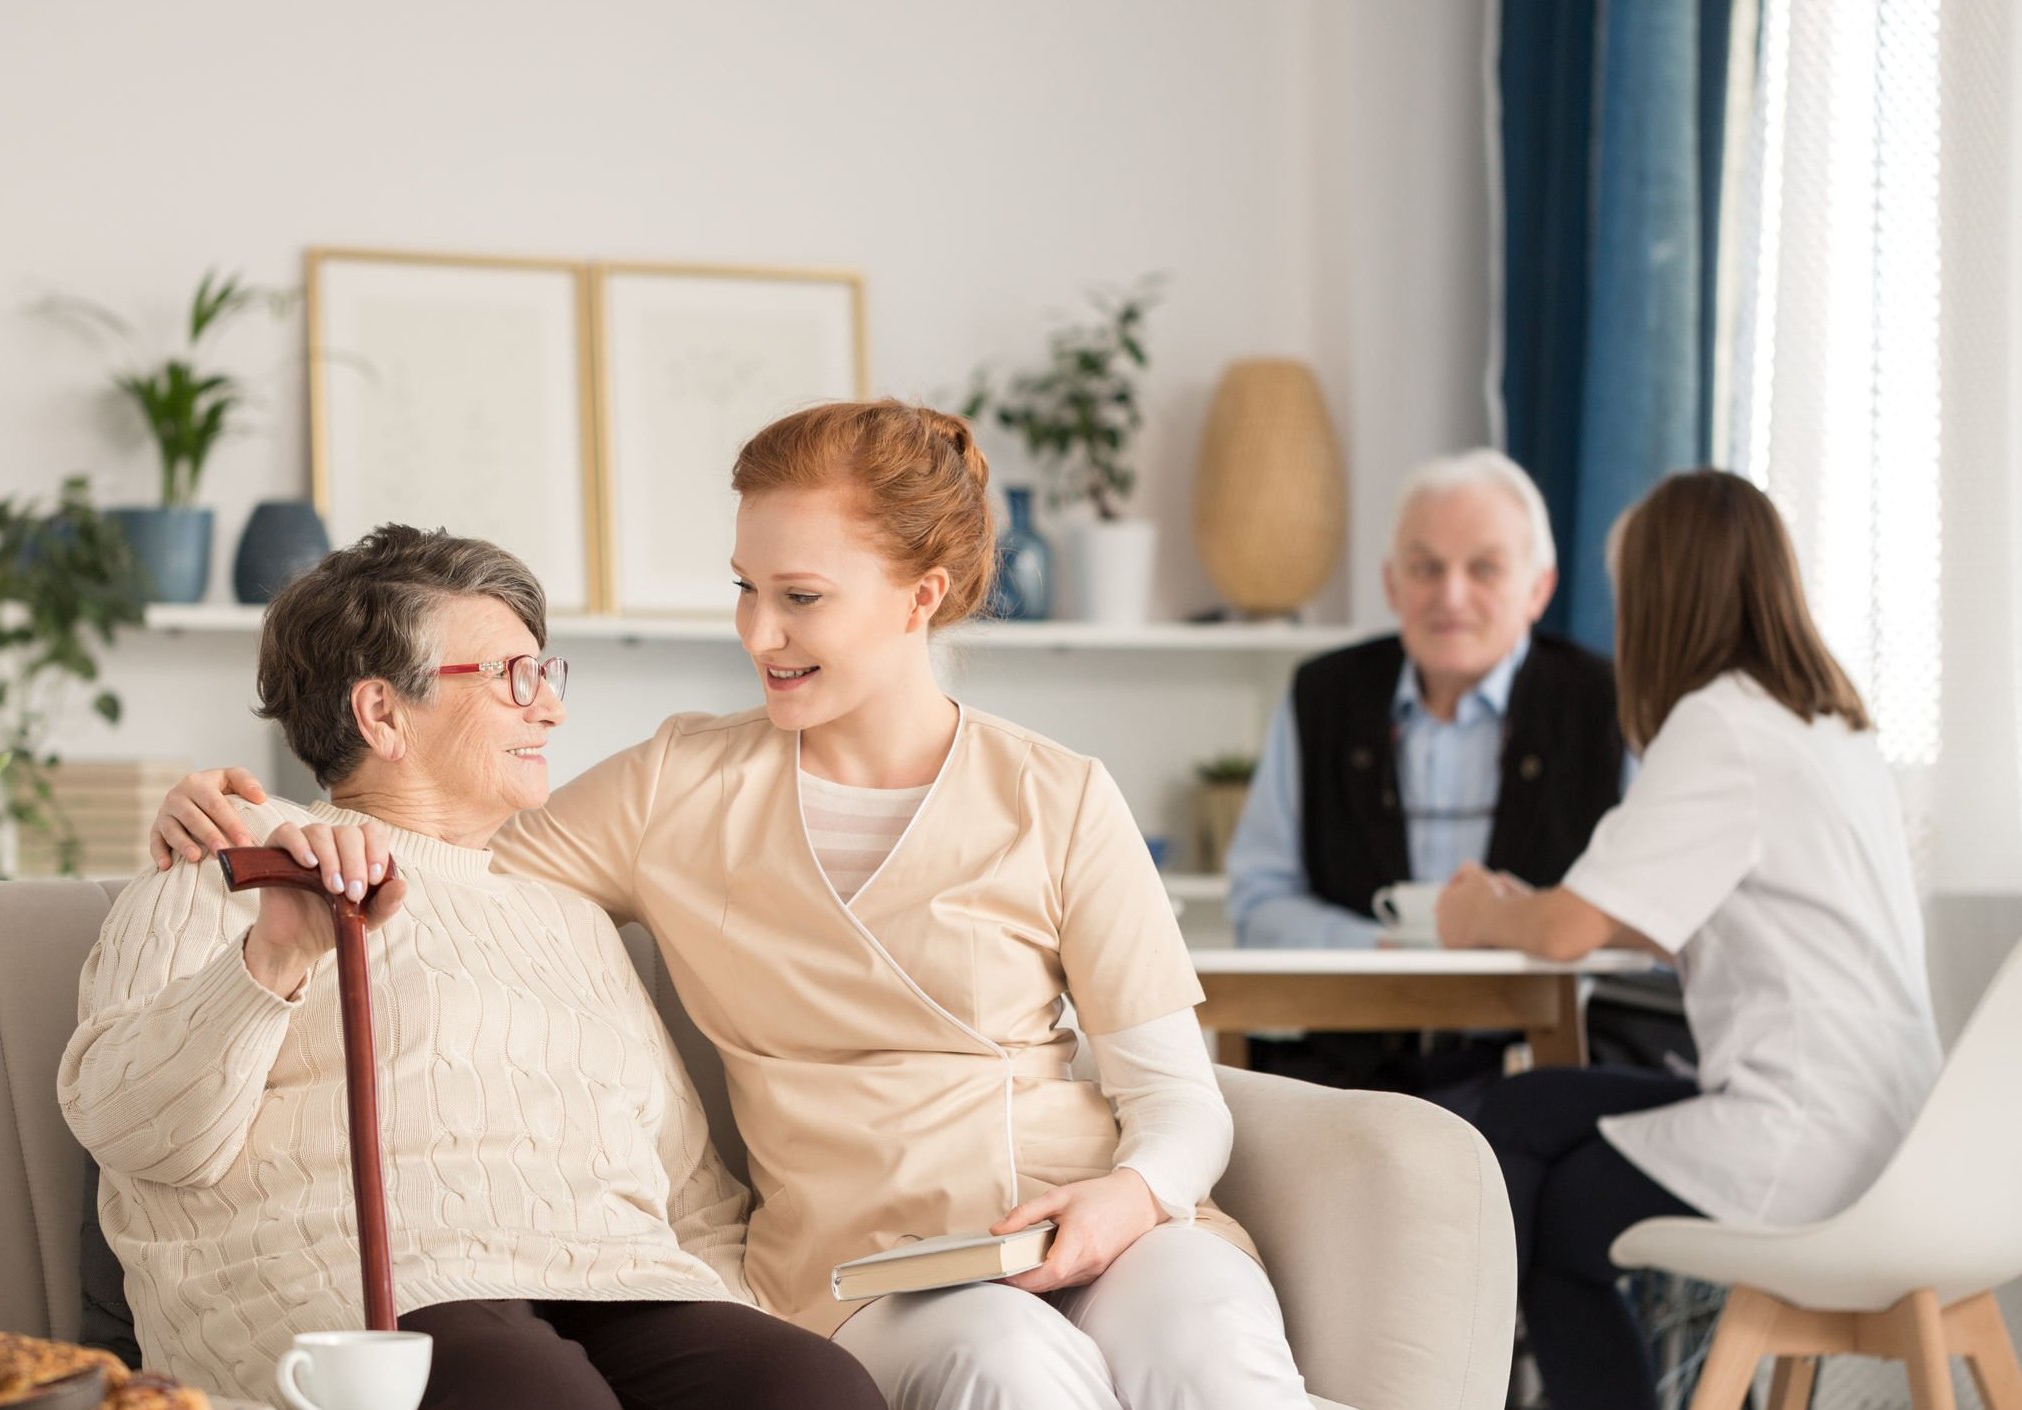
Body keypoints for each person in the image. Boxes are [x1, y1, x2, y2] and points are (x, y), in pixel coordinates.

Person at [153, 401, 1311, 1409]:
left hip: (1100, 1216)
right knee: (1007, 1367)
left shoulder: (1060, 796)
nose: (758, 634)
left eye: (800, 597)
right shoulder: (675, 786)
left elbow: (1180, 1102)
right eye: (747, 591)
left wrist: (1132, 1198)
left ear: (925, 596)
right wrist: (240, 821)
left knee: (1212, 1349)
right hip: (874, 1269)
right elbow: (444, 853)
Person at [56, 526, 884, 1410]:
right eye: (511, 678)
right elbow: (136, 1133)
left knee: (815, 1389)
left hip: (620, 1283)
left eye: (547, 674)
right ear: (382, 714)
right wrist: (277, 954)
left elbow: (693, 1199)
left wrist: (745, 1323)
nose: (551, 709)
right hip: (369, 1288)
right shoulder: (236, 861)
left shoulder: (566, 916)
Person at [1437, 470, 1943, 1410]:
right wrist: (1549, 906)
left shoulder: (1718, 726)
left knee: (1547, 1213)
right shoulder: (1828, 725)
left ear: (1666, 598)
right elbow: (1701, 913)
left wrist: (1479, 912)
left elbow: (1563, 930)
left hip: (1803, 1134)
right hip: (1894, 1126)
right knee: (1519, 1117)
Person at [1224, 449, 1632, 1097]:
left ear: (1539, 588)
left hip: (1539, 1070)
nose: (1451, 595)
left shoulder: (1609, 705)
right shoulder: (1322, 696)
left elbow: (1636, 915)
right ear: (1391, 585)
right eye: (1426, 568)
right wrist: (1377, 952)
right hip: (1348, 1074)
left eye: (1485, 569)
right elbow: (1259, 898)